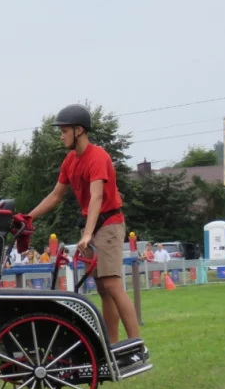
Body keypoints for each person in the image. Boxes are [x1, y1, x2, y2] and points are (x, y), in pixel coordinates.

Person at [24, 104, 140, 343]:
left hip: (108, 223)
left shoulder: (97, 156)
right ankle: (113, 345)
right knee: (103, 289)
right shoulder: (70, 161)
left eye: (64, 130)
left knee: (112, 284)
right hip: (93, 225)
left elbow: (96, 196)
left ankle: (136, 344)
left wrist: (87, 234)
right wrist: (29, 217)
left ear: (79, 130)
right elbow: (55, 196)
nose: (61, 135)